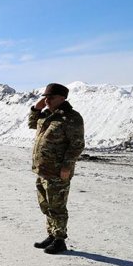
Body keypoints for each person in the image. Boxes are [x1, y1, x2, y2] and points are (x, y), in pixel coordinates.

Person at [28, 83, 85, 254]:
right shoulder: (47, 115)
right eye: (45, 97)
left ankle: (60, 239)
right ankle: (52, 235)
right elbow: (32, 124)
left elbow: (77, 145)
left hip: (58, 172)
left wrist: (67, 167)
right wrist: (35, 109)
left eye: (50, 97)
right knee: (46, 205)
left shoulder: (71, 118)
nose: (47, 100)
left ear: (62, 98)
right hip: (43, 169)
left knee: (57, 206)